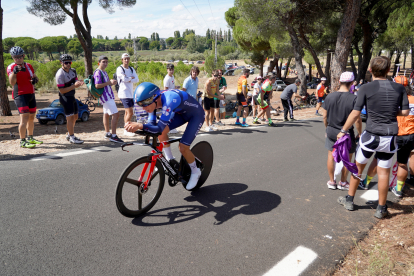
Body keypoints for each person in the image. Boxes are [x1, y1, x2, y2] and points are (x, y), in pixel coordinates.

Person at [336, 56, 409, 219]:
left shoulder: (365, 88)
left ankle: (349, 200)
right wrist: (390, 112)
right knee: (384, 173)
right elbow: (405, 112)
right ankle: (381, 209)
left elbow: (356, 112)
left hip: (371, 136)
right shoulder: (399, 88)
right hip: (389, 137)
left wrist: (343, 130)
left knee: (357, 168)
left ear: (370, 70)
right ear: (388, 70)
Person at [125, 82, 205, 190]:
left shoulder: (169, 100)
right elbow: (152, 125)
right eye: (140, 105)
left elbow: (158, 128)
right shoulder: (152, 102)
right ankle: (170, 159)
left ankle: (196, 171)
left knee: (183, 147)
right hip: (181, 113)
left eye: (145, 104)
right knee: (161, 134)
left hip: (196, 115)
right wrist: (136, 127)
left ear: (154, 98)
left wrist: (140, 126)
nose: (144, 108)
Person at [322, 72, 362, 190]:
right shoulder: (354, 98)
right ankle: (343, 182)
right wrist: (359, 133)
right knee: (347, 157)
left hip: (331, 130)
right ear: (352, 83)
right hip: (346, 133)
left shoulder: (329, 96)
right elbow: (357, 120)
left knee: (330, 155)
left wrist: (327, 128)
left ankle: (331, 181)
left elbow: (324, 116)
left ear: (339, 82)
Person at [7, 46, 43, 148]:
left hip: (31, 94)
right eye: (15, 57)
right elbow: (12, 82)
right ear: (12, 57)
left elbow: (34, 77)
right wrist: (15, 72)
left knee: (31, 117)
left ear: (23, 56)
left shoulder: (29, 66)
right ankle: (22, 141)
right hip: (20, 95)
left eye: (20, 56)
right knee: (24, 118)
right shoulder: (11, 67)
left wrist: (35, 80)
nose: (18, 59)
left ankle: (30, 138)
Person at [55, 54, 84, 144]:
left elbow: (75, 80)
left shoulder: (73, 71)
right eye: (66, 62)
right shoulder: (60, 74)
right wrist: (73, 86)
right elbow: (62, 90)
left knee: (75, 116)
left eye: (70, 62)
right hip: (65, 97)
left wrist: (79, 82)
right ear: (61, 63)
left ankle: (69, 134)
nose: (68, 64)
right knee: (70, 118)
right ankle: (72, 137)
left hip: (72, 96)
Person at [94, 55, 124, 143]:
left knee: (106, 114)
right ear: (99, 62)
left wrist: (111, 83)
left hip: (108, 95)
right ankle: (113, 136)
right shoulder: (98, 72)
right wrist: (108, 82)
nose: (105, 63)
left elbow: (106, 84)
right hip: (105, 97)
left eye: (106, 62)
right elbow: (97, 85)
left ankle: (107, 133)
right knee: (116, 114)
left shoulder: (104, 72)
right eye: (103, 62)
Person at [116, 53, 139, 137]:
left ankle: (126, 128)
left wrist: (128, 78)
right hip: (123, 93)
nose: (126, 60)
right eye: (125, 59)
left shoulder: (132, 69)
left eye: (128, 59)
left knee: (127, 112)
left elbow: (136, 79)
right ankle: (127, 129)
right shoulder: (120, 69)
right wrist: (130, 78)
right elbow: (123, 79)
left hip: (130, 93)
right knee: (130, 112)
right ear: (122, 60)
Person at [164, 63, 179, 134]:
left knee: (173, 113)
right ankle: (169, 128)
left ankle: (171, 127)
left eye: (172, 69)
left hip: (173, 97)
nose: (171, 71)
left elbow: (172, 87)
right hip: (169, 98)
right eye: (170, 70)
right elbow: (166, 90)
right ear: (167, 70)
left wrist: (176, 88)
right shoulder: (167, 79)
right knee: (169, 113)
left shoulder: (172, 77)